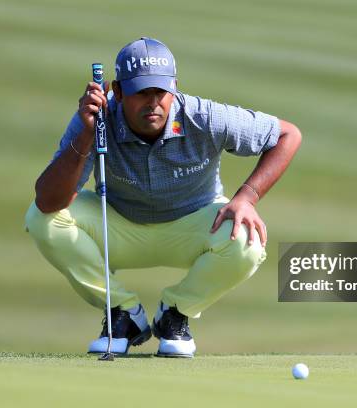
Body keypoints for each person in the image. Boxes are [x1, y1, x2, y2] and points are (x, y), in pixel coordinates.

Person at [24, 37, 301, 358]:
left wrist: (247, 197)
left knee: (246, 239)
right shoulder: (97, 119)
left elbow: (287, 134)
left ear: (174, 88)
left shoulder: (204, 116)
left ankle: (175, 314)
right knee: (41, 218)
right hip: (117, 225)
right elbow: (48, 200)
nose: (153, 102)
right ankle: (123, 313)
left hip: (193, 226)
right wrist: (86, 135)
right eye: (141, 92)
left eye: (160, 92)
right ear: (117, 91)